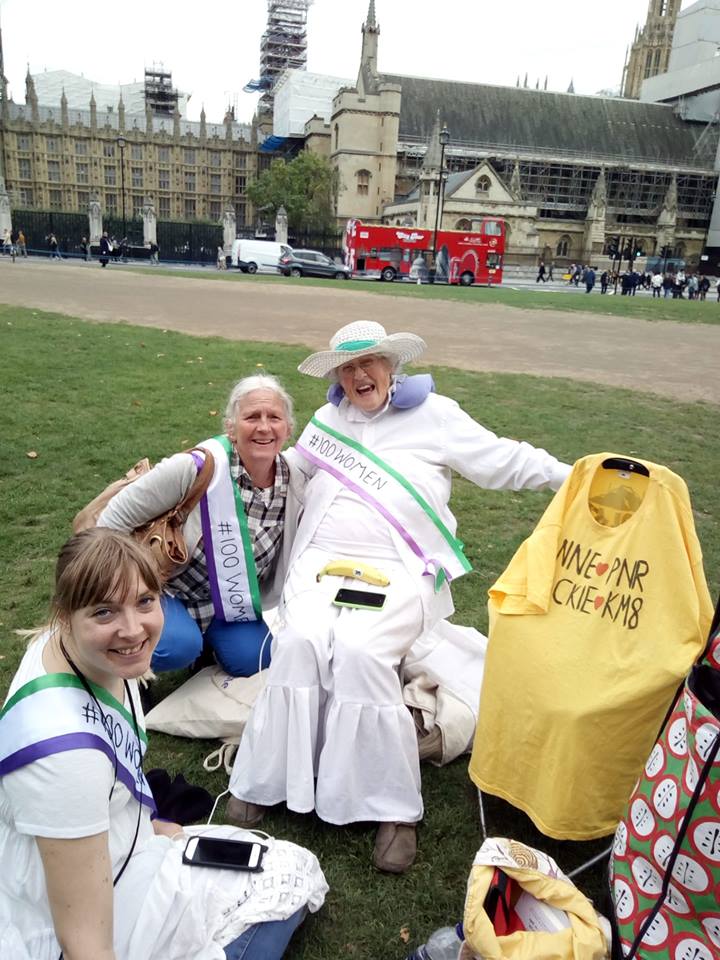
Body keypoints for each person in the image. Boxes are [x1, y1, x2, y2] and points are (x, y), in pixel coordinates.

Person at [227, 321, 571, 873]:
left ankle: (393, 808)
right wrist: (217, 464)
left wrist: (573, 477)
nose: (360, 375)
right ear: (338, 374)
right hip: (319, 562)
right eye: (348, 366)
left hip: (400, 568)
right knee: (300, 644)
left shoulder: (436, 416)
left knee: (363, 654)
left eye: (371, 363)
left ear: (392, 367)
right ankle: (265, 778)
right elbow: (286, 472)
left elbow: (503, 458)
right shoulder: (327, 421)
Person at [0, 527, 327, 960]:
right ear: (65, 613)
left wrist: (151, 825)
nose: (133, 630)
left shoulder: (68, 648)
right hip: (81, 906)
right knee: (290, 879)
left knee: (281, 865)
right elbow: (83, 942)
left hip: (110, 852)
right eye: (104, 612)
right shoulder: (64, 759)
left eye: (144, 601)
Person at [98, 374, 302, 677]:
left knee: (258, 659)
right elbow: (110, 522)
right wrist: (123, 593)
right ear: (231, 428)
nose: (263, 427)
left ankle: (206, 647)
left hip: (233, 602)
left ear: (287, 429)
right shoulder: (197, 468)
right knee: (176, 647)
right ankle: (132, 676)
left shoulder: (294, 478)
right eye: (251, 417)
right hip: (165, 589)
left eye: (274, 417)